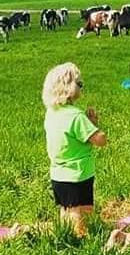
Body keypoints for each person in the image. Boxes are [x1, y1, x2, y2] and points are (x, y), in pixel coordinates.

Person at [42, 63, 107, 236]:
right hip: (78, 174)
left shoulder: (52, 112)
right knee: (82, 212)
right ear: (68, 87)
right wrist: (94, 124)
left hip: (58, 174)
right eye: (79, 84)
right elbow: (99, 140)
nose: (81, 87)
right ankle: (81, 239)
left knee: (67, 209)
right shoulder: (76, 116)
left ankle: (65, 235)